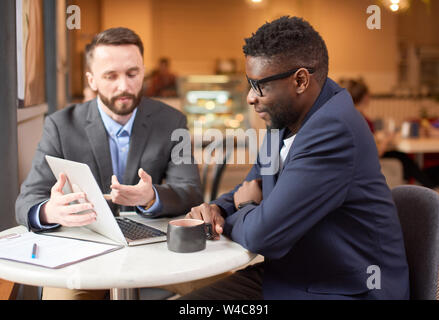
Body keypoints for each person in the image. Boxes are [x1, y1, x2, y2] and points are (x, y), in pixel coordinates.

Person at [183, 16, 410, 300]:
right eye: (248, 84)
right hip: (293, 274)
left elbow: (263, 236)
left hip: (343, 289)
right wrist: (216, 210)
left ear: (300, 80)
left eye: (259, 85)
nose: (251, 98)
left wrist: (247, 207)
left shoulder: (333, 129)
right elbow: (253, 184)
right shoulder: (285, 119)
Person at [15, 27, 203, 299]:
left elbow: (190, 190)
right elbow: (27, 200)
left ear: (143, 71)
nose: (124, 86)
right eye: (110, 76)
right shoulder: (59, 125)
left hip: (158, 251)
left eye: (132, 74)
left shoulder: (173, 121)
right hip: (84, 254)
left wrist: (151, 196)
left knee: (220, 288)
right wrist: (48, 212)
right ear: (91, 80)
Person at [339, 78, 438, 189]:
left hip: (356, 160)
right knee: (402, 158)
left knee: (400, 156)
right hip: (366, 160)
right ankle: (429, 188)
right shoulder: (360, 119)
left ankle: (424, 187)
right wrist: (387, 139)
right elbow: (374, 153)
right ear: (365, 96)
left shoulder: (351, 114)